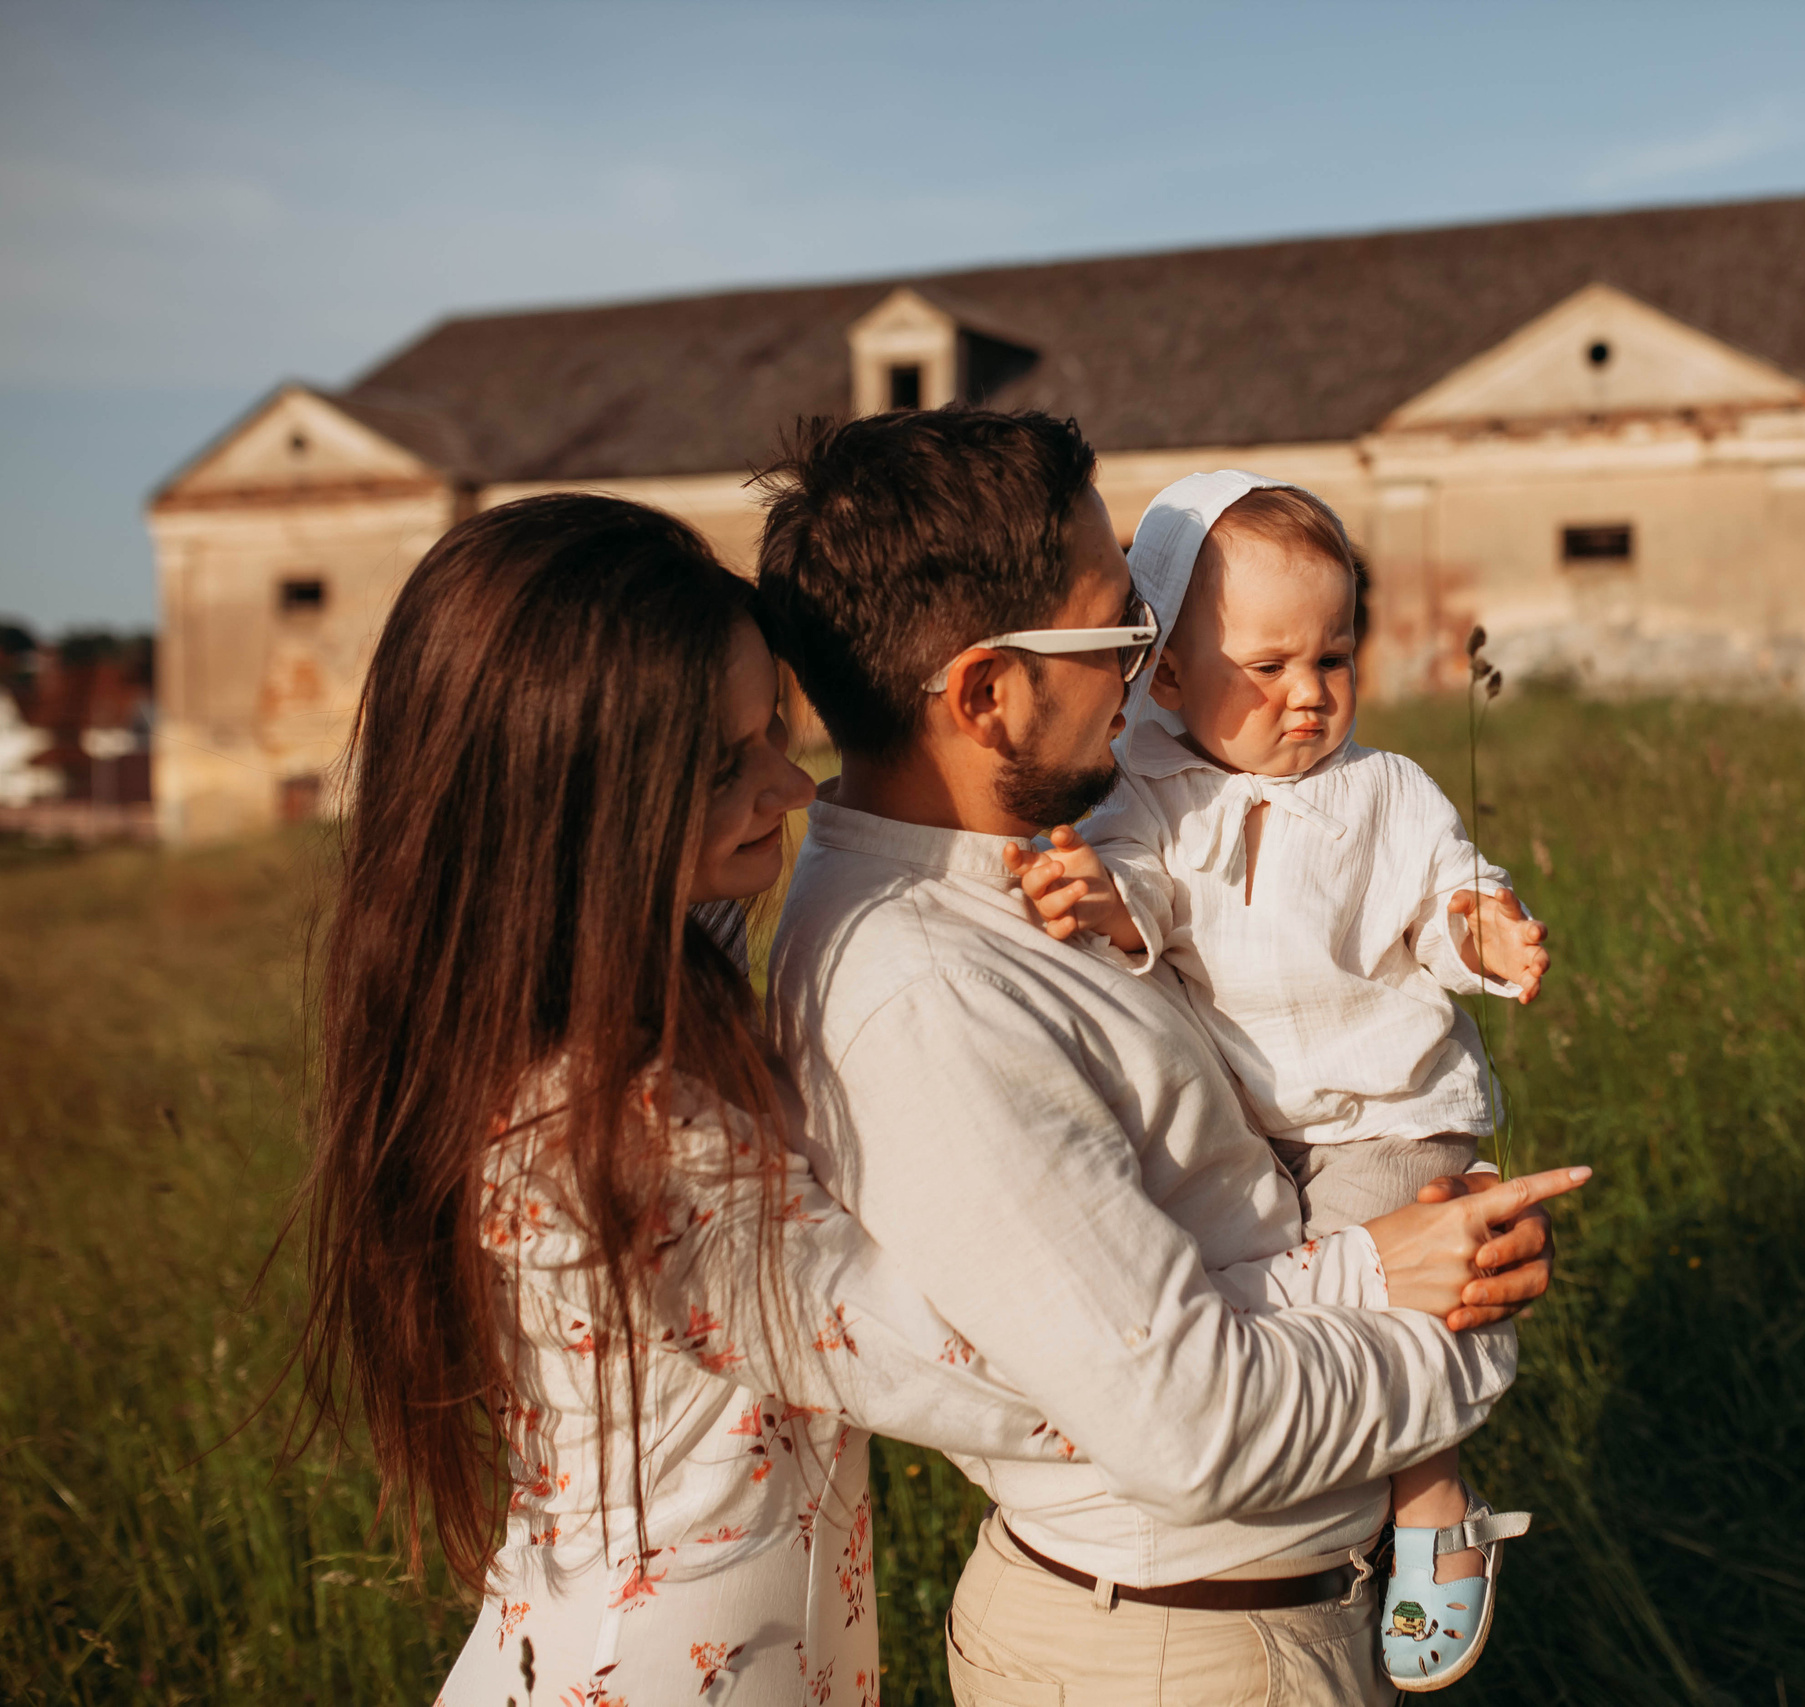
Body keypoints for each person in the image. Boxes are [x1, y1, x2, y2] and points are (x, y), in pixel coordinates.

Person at [289, 493, 1536, 1706]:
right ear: (579, 808)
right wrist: (1377, 1279)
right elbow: (1066, 1385)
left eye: (778, 726)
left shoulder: (624, 972)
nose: (789, 786)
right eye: (728, 762)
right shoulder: (611, 1135)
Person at [757, 409, 1588, 1705]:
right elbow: (1192, 1423)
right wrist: (1438, 1304)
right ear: (986, 691)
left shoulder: (1030, 870)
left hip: (1223, 1625)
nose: (1147, 672)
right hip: (1177, 1651)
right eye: (1122, 631)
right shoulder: (925, 993)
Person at [1006, 471, 1550, 1691]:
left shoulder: (1384, 792)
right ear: (1168, 674)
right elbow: (1137, 886)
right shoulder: (1146, 791)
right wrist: (1100, 897)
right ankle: (1336, 1508)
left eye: (1334, 657)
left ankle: (1430, 1496)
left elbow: (1442, 892)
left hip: (1388, 1112)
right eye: (1267, 666)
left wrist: (1483, 930)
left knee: (1384, 1284)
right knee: (1272, 1303)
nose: (1308, 696)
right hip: (1253, 1123)